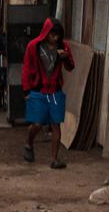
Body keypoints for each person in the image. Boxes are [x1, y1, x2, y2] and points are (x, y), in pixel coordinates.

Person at [21, 18, 75, 168]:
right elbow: (26, 69)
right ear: (46, 33)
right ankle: (29, 143)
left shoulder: (63, 47)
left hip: (55, 91)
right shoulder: (33, 46)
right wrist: (26, 91)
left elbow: (71, 67)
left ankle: (54, 159)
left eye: (57, 35)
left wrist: (66, 59)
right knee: (37, 124)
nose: (55, 38)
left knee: (56, 124)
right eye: (52, 35)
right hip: (38, 90)